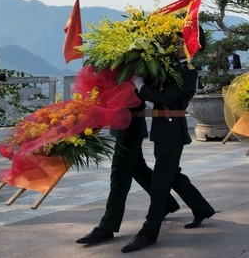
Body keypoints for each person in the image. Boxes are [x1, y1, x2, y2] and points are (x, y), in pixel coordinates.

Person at [121, 31, 215, 253]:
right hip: (162, 129)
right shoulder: (165, 65)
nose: (178, 42)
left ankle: (148, 232)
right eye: (177, 39)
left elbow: (164, 97)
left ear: (192, 46)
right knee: (172, 174)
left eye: (183, 40)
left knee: (162, 181)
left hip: (173, 130)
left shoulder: (188, 72)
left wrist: (141, 86)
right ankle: (201, 208)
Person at [76, 96, 181, 246]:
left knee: (119, 174)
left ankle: (107, 226)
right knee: (137, 168)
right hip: (124, 125)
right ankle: (167, 203)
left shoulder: (134, 72)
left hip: (130, 125)